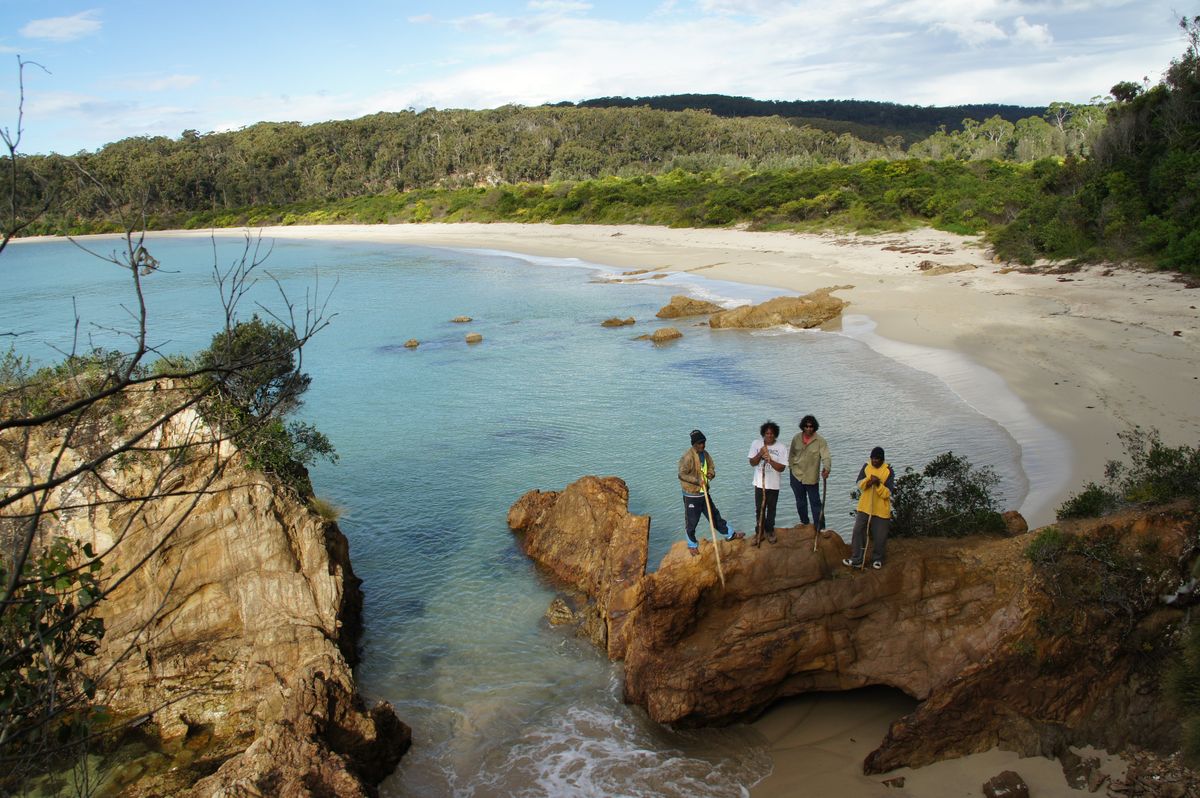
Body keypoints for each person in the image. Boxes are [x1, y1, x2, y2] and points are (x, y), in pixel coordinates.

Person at [678, 429, 744, 556]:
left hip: (704, 493)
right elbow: (681, 474)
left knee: (714, 516)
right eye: (700, 443)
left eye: (704, 442)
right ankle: (692, 545)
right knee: (692, 521)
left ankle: (730, 534)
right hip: (692, 495)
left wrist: (711, 473)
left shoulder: (705, 454)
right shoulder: (687, 457)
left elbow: (711, 467)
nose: (702, 445)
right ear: (694, 444)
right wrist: (697, 481)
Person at [843, 446, 895, 570]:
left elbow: (887, 493)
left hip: (881, 509)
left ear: (882, 459)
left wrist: (878, 484)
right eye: (873, 458)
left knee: (880, 536)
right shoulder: (866, 466)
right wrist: (868, 481)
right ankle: (857, 559)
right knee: (858, 531)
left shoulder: (888, 471)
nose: (874, 461)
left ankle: (877, 559)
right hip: (865, 507)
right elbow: (859, 484)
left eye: (877, 459)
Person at [788, 414, 831, 528]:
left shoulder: (820, 441)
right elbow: (791, 454)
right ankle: (805, 522)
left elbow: (826, 456)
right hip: (796, 475)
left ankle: (820, 527)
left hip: (811, 476)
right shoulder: (796, 438)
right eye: (806, 426)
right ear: (803, 426)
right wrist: (791, 467)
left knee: (815, 502)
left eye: (811, 426)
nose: (808, 428)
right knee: (800, 502)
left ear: (814, 427)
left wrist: (827, 468)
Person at [748, 420, 788, 545]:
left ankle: (770, 531)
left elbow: (782, 468)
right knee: (759, 509)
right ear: (763, 434)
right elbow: (752, 463)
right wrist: (760, 454)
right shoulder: (756, 444)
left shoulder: (781, 447)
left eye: (771, 434)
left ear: (775, 434)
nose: (769, 436)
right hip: (759, 483)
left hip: (773, 485)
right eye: (767, 433)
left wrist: (770, 460)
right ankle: (759, 532)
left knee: (771, 509)